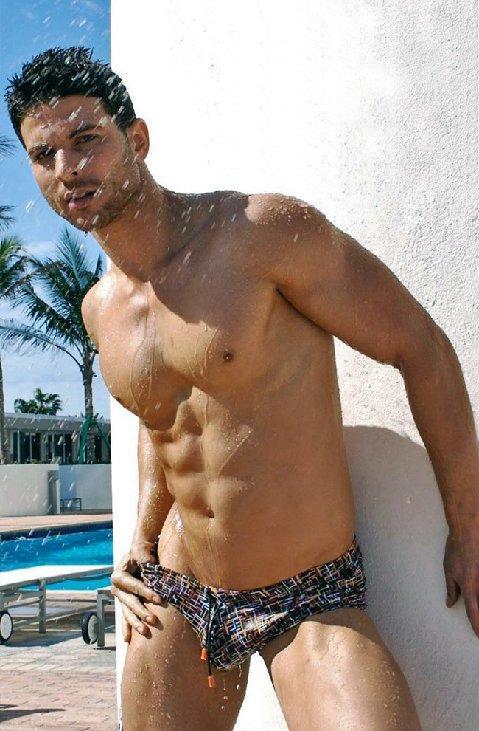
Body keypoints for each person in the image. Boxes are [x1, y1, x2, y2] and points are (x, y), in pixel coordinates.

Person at [6, 46, 479, 730]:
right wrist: (140, 540)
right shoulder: (99, 308)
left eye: (86, 140)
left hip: (307, 595)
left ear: (136, 139)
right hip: (180, 596)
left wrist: (468, 523)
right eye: (44, 154)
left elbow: (421, 346)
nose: (67, 169)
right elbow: (159, 415)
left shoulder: (260, 234)